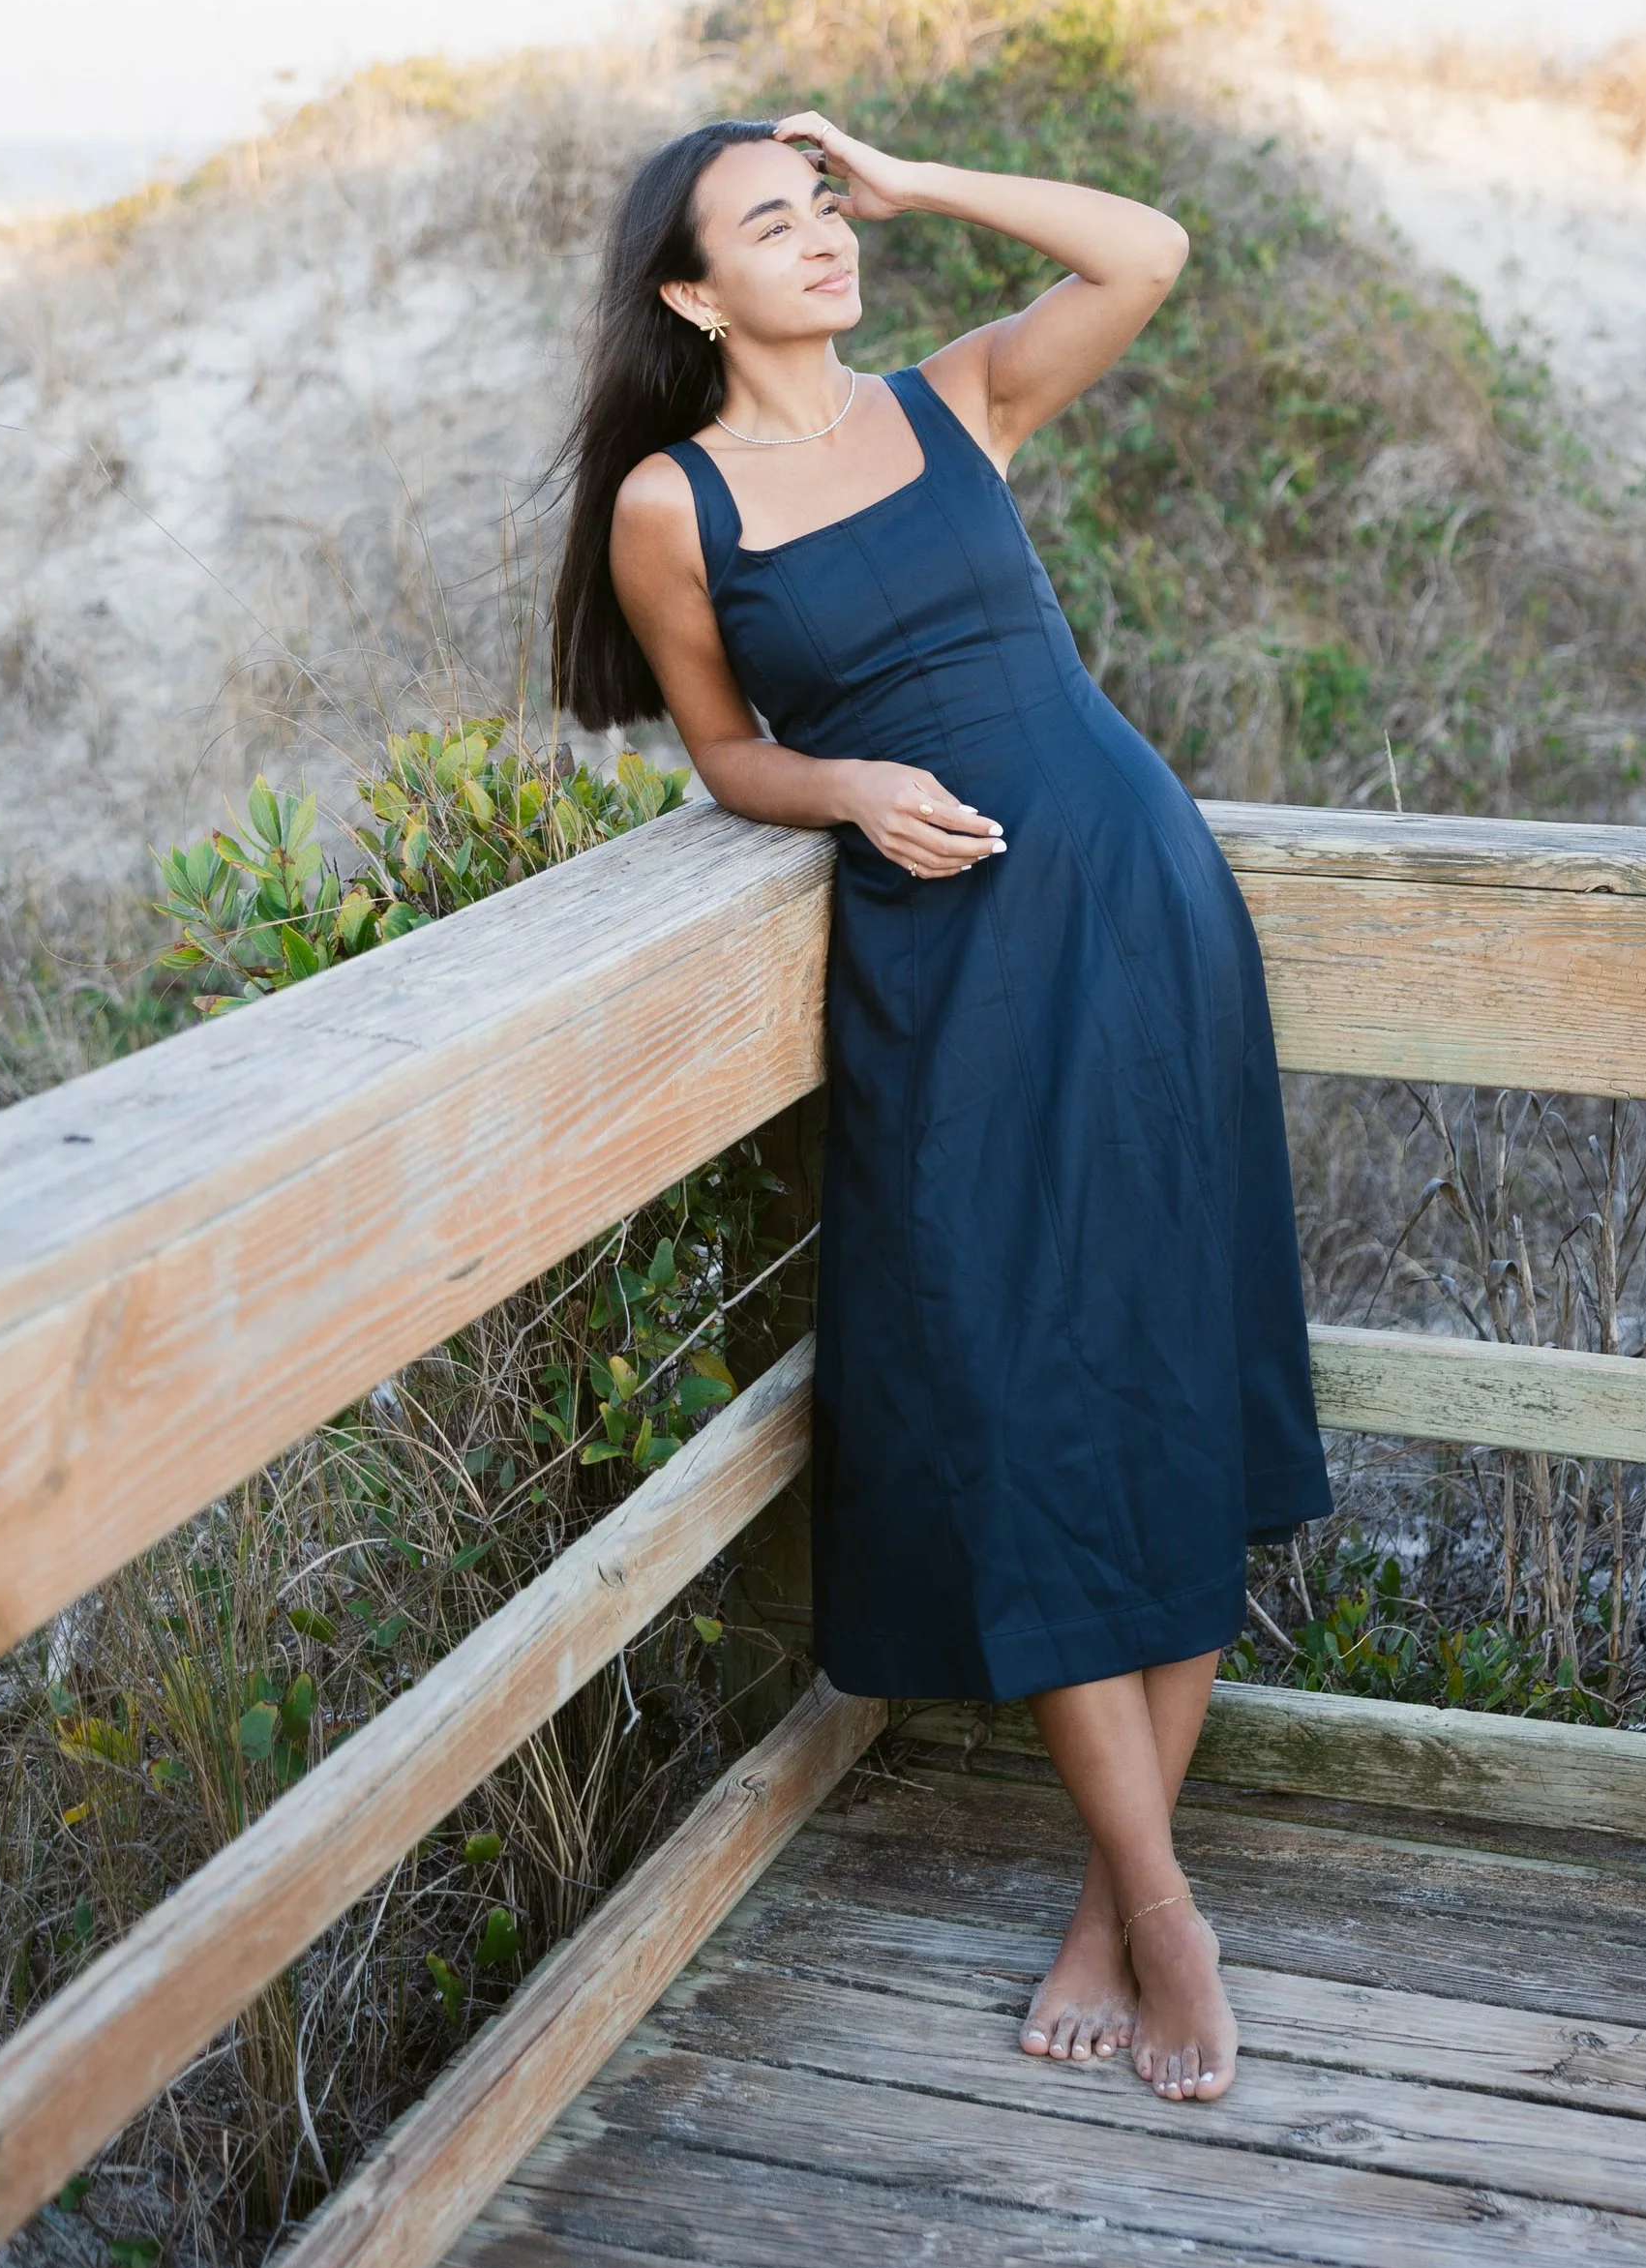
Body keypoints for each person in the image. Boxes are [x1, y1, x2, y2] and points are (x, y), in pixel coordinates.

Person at [551, 110, 1332, 2107]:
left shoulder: (955, 400)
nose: (814, 241)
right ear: (685, 291)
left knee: (1169, 1375)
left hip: (1138, 905)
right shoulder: (673, 503)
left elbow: (1143, 243)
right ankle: (1163, 1911)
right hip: (948, 959)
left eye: (822, 209)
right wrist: (848, 789)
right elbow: (724, 746)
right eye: (768, 223)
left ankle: (1123, 1903)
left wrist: (914, 179)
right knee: (1007, 1393)